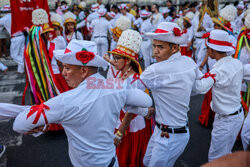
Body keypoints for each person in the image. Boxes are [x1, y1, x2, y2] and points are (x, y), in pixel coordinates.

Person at [8, 39, 153, 167]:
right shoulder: (117, 86)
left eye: (67, 67)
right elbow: (146, 100)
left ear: (83, 70)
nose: (63, 73)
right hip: (111, 162)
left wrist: (44, 122)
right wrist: (125, 100)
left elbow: (20, 123)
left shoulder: (66, 101)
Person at [141, 22, 199, 167]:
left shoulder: (154, 70)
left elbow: (129, 90)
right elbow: (200, 88)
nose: (155, 51)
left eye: (160, 47)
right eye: (154, 46)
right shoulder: (189, 62)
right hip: (170, 132)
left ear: (174, 48)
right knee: (146, 161)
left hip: (169, 135)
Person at [193, 29, 245, 162]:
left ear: (211, 50)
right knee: (225, 153)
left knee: (215, 158)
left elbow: (200, 88)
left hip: (226, 120)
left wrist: (188, 75)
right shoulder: (236, 63)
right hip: (236, 115)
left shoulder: (218, 70)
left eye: (207, 48)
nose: (206, 51)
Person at [106, 29, 152, 167]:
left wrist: (119, 133)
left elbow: (130, 112)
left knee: (128, 158)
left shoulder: (135, 80)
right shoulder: (121, 74)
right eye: (114, 58)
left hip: (130, 127)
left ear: (127, 61)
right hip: (120, 122)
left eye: (117, 58)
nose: (114, 62)